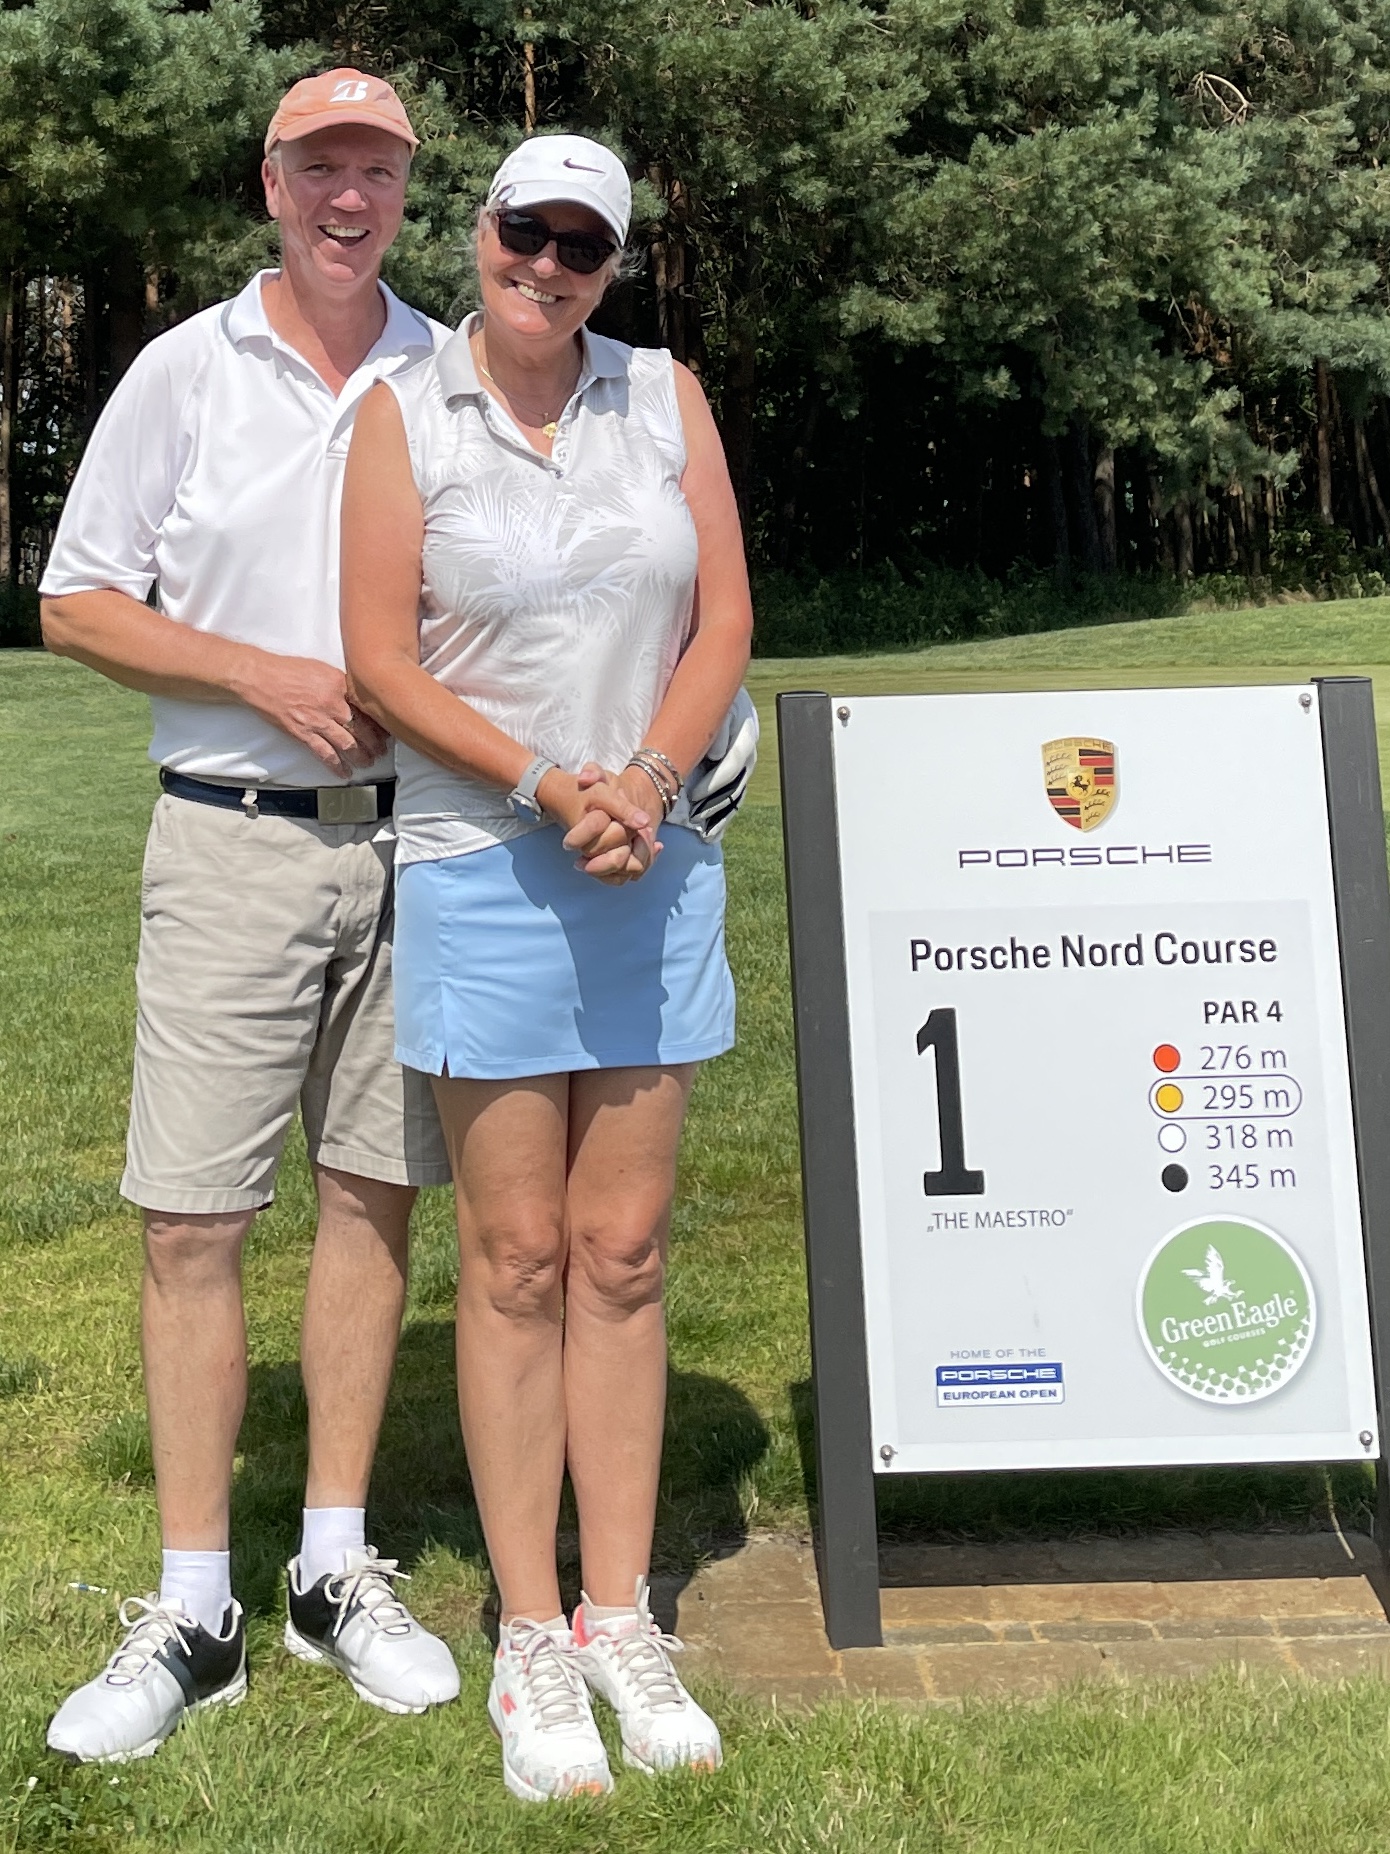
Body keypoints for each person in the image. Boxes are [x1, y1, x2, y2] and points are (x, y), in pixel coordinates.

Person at [39, 70, 461, 1766]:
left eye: (378, 169)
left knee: (374, 1192)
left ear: (406, 191)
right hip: (228, 840)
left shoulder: (447, 370)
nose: (350, 196)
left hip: (422, 847)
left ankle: (332, 1567)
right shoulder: (184, 368)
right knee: (193, 1220)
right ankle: (195, 1601)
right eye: (320, 167)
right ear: (269, 184)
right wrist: (259, 675)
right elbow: (76, 601)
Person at [341, 132, 754, 1803]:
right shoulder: (404, 411)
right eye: (528, 231)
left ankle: (617, 1612)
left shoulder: (665, 395)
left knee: (623, 1250)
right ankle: (528, 1629)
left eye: (584, 245)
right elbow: (381, 657)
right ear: (483, 229)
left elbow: (721, 619)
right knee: (515, 1255)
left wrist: (643, 780)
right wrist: (543, 783)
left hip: (648, 856)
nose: (549, 266)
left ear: (612, 264)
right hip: (482, 860)